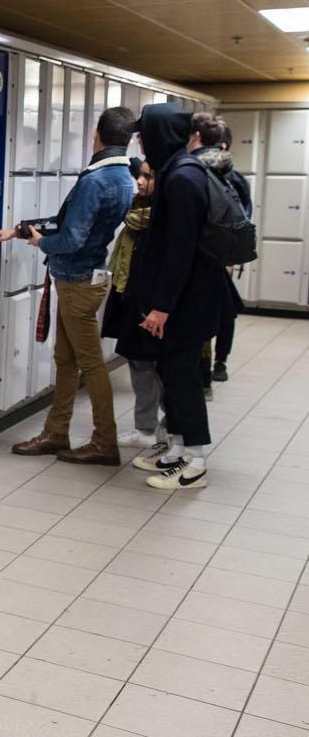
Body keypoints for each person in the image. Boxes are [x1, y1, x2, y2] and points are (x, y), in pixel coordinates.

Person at [2, 106, 136, 465]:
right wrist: (19, 230)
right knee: (66, 359)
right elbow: (68, 222)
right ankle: (56, 432)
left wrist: (40, 243)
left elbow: (71, 237)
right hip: (85, 278)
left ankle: (104, 442)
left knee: (90, 364)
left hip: (77, 281)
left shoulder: (95, 180)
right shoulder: (124, 176)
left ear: (97, 133)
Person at [118, 107, 231, 490]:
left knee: (183, 380)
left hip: (186, 304)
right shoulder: (178, 171)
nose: (139, 141)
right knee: (171, 373)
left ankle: (195, 464)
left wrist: (162, 307)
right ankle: (178, 450)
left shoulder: (182, 178)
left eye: (143, 134)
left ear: (160, 134)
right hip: (185, 300)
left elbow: (179, 251)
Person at [104, 158, 166, 449]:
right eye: (139, 176)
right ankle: (146, 428)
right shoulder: (136, 209)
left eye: (147, 177)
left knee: (160, 369)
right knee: (139, 364)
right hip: (129, 293)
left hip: (153, 302)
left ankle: (168, 430)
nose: (139, 182)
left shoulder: (165, 217)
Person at [203, 121, 252, 384]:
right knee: (218, 308)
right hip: (214, 254)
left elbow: (243, 218)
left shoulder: (233, 180)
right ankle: (212, 363)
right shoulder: (201, 173)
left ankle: (219, 361)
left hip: (222, 255)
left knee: (223, 308)